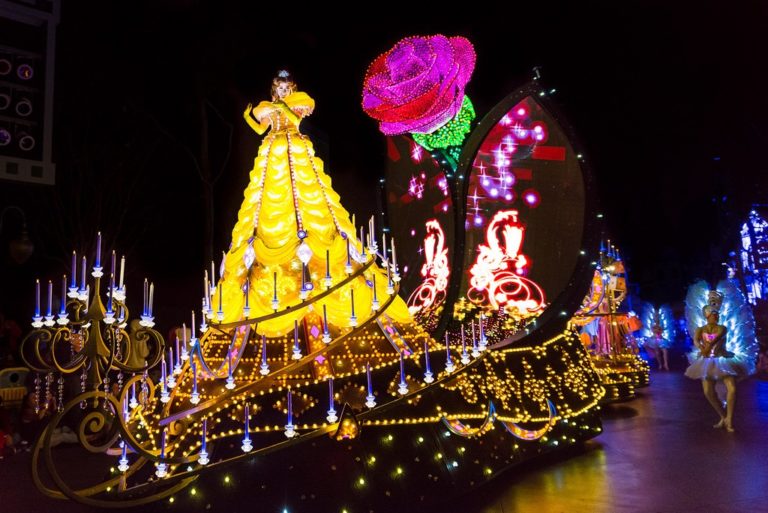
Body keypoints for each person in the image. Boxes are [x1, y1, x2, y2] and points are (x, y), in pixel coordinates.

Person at [215, 70, 410, 337]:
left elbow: (296, 119)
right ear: (274, 89)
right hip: (273, 152)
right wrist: (248, 116)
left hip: (295, 149)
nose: (283, 91)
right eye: (279, 88)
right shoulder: (267, 107)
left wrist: (284, 107)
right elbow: (261, 129)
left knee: (306, 203)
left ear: (292, 88)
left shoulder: (299, 102)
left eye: (286, 87)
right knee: (265, 208)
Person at [685, 301, 748, 432]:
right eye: (715, 314)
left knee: (732, 388)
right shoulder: (700, 329)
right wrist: (700, 347)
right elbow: (696, 340)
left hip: (723, 360)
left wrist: (706, 349)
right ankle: (723, 417)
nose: (717, 316)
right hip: (707, 362)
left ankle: (730, 419)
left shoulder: (722, 328)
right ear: (707, 315)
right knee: (708, 391)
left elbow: (716, 339)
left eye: (718, 314)